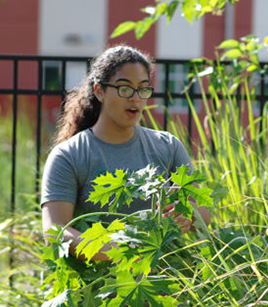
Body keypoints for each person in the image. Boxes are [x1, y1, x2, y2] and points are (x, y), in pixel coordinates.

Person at [41, 45, 211, 261]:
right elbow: (54, 232)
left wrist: (188, 216)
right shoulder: (69, 155)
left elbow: (204, 214)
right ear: (99, 91)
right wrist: (118, 251)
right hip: (98, 287)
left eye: (142, 89)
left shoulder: (168, 146)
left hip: (165, 284)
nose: (135, 98)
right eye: (124, 88)